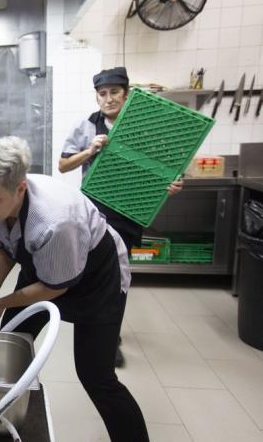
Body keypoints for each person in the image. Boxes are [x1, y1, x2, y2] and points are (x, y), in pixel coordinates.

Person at [0, 136, 149, 442]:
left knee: (96, 376)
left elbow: (53, 289)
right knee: (9, 351)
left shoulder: (54, 220)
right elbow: (4, 250)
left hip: (97, 278)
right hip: (45, 267)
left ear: (20, 188)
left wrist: (1, 303)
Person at [59, 66, 183, 366]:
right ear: (97, 97)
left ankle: (110, 337)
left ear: (126, 95)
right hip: (94, 213)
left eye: (115, 92)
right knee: (92, 274)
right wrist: (90, 151)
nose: (109, 98)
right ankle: (94, 328)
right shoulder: (87, 126)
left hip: (128, 213)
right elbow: (63, 165)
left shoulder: (142, 128)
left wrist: (171, 183)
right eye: (103, 93)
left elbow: (159, 167)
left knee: (118, 277)